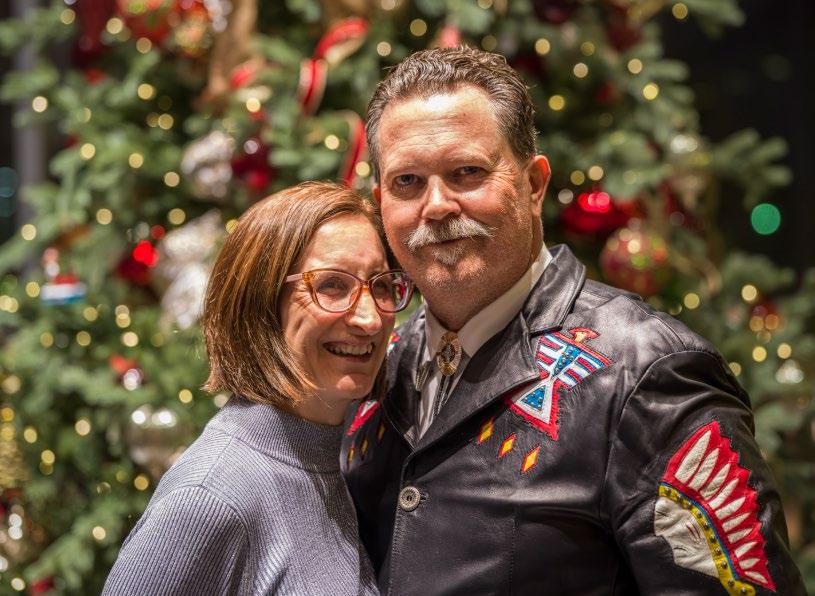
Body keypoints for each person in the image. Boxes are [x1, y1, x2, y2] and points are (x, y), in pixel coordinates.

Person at [340, 47, 806, 595]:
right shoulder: (374, 361)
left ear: (534, 185)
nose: (436, 205)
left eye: (467, 172)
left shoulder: (648, 374)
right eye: (407, 182)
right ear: (380, 203)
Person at [104, 181, 413, 595]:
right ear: (262, 303)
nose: (370, 319)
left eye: (380, 285)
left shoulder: (325, 460)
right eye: (332, 286)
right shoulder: (211, 496)